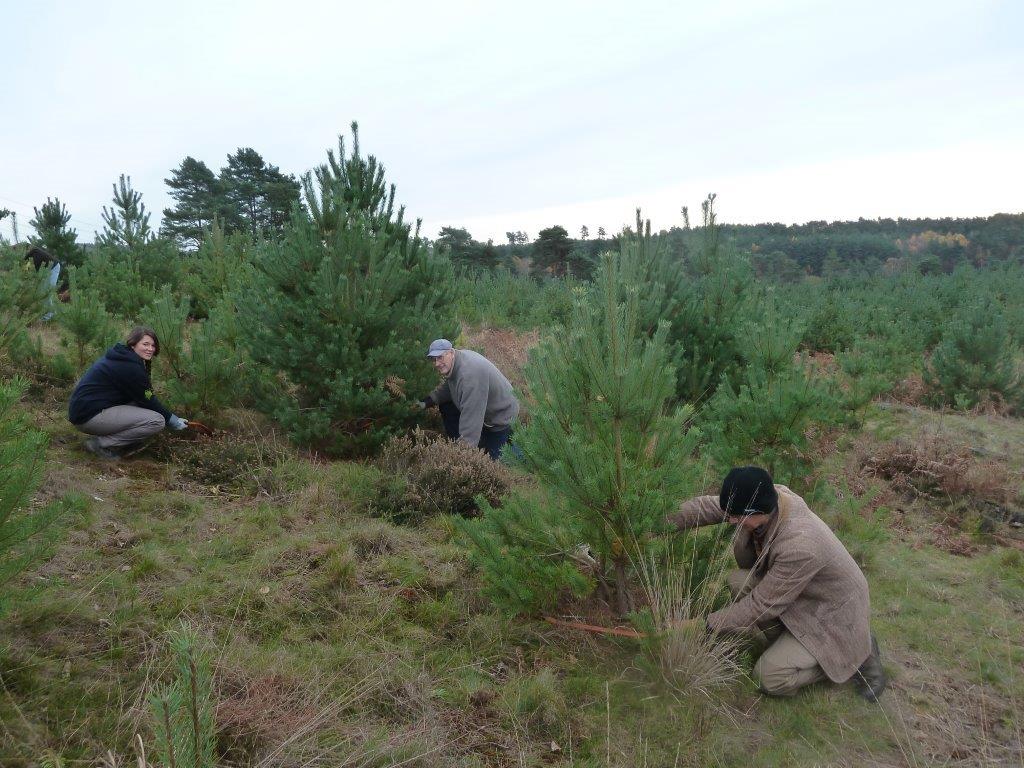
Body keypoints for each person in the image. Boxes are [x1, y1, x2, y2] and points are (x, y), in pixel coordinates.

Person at [668, 466, 887, 700]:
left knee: (769, 677)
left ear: (756, 512)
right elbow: (707, 507)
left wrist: (700, 625)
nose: (729, 520)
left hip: (831, 615)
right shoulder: (768, 498)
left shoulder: (801, 546)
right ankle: (795, 643)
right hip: (803, 597)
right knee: (737, 581)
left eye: (735, 516)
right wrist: (652, 522)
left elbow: (760, 605)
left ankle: (853, 654)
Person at [68, 326, 189, 460]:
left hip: (84, 411)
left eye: (153, 345)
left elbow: (144, 397)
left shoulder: (123, 357)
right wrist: (172, 420)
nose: (150, 349)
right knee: (157, 421)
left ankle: (124, 442)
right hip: (88, 417)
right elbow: (148, 399)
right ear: (133, 344)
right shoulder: (130, 367)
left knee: (142, 408)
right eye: (145, 344)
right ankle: (100, 444)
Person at [419, 339, 519, 460]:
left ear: (450, 352)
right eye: (434, 359)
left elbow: (472, 418)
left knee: (495, 463)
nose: (436, 363)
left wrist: (462, 457)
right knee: (447, 406)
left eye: (440, 357)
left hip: (500, 417)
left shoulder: (470, 377)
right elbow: (449, 388)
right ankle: (461, 444)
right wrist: (426, 402)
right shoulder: (458, 360)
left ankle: (522, 451)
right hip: (484, 409)